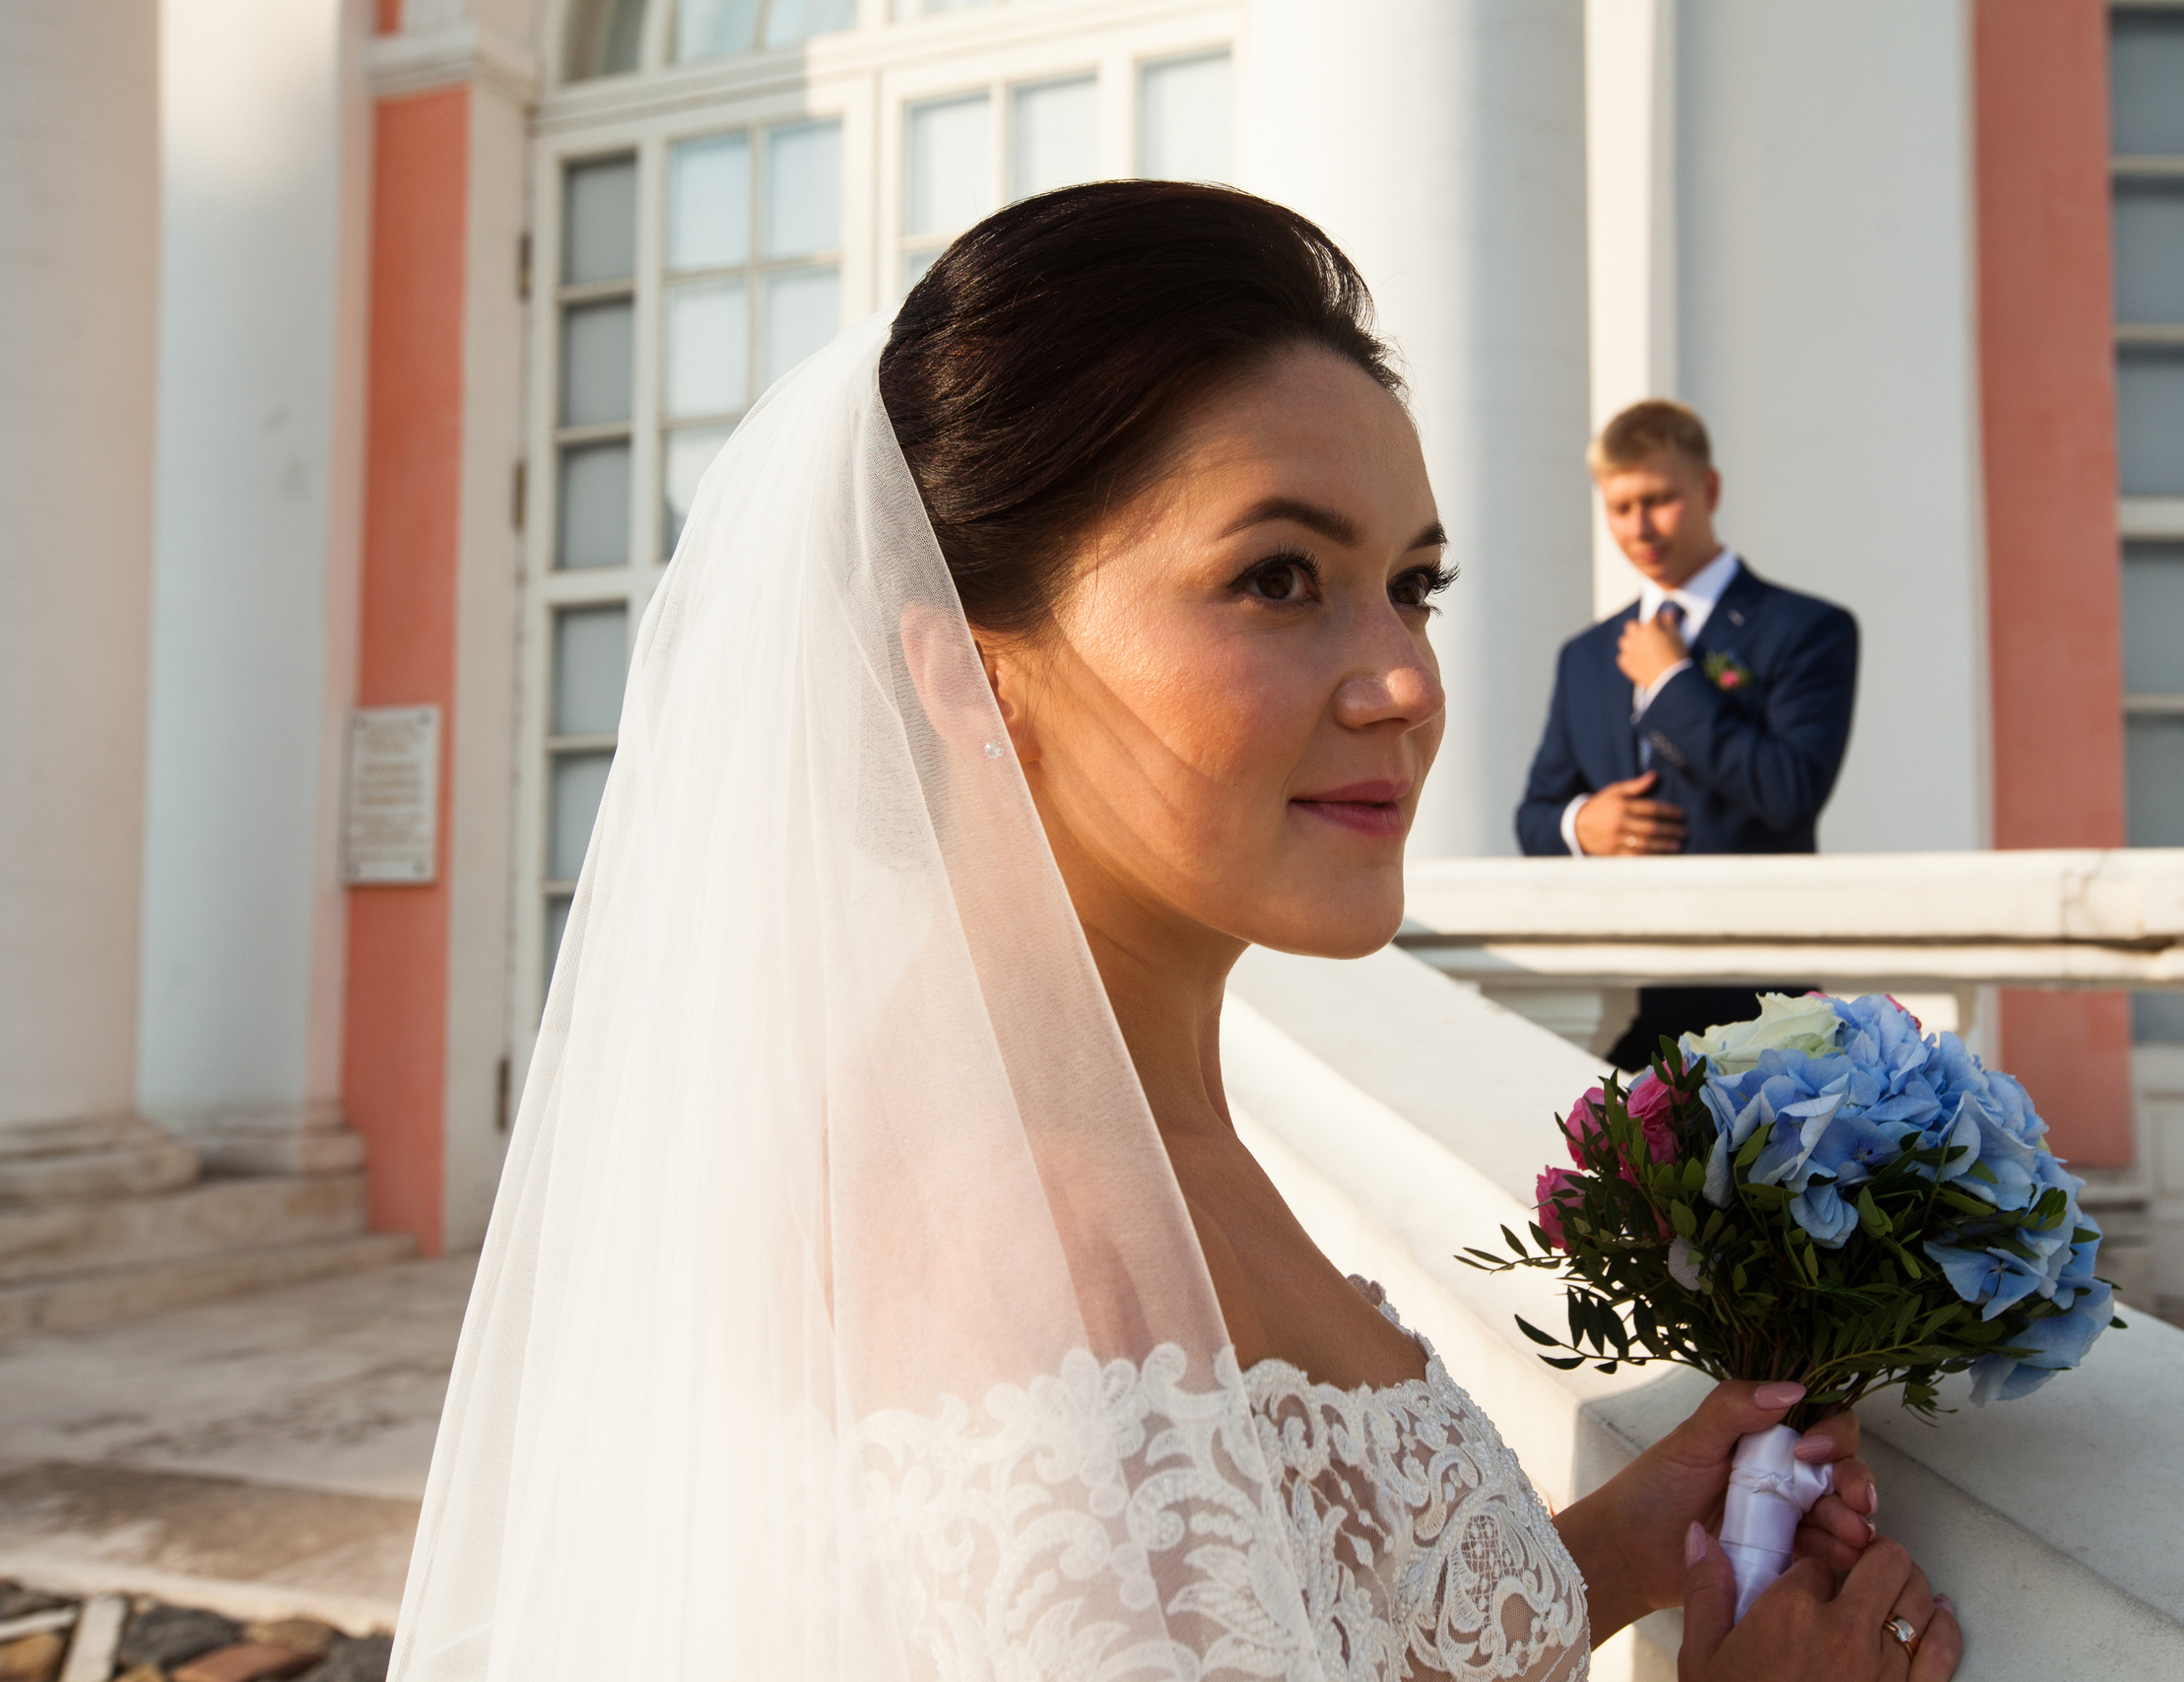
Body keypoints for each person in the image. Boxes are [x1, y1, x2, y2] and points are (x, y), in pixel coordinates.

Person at [387, 183, 1954, 1682]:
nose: (1406, 678)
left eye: (1412, 583)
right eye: (1278, 578)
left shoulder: (1118, 1114)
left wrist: (1616, 1540)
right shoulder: (1032, 1256)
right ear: (967, 677)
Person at [1515, 401, 1859, 1069]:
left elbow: (1791, 791)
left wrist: (1672, 681)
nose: (1639, 527)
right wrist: (1584, 824)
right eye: (1619, 507)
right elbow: (1534, 816)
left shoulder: (1809, 628)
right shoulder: (1584, 656)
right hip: (1617, 1004)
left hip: (1757, 999)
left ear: (1710, 489)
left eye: (1659, 499)